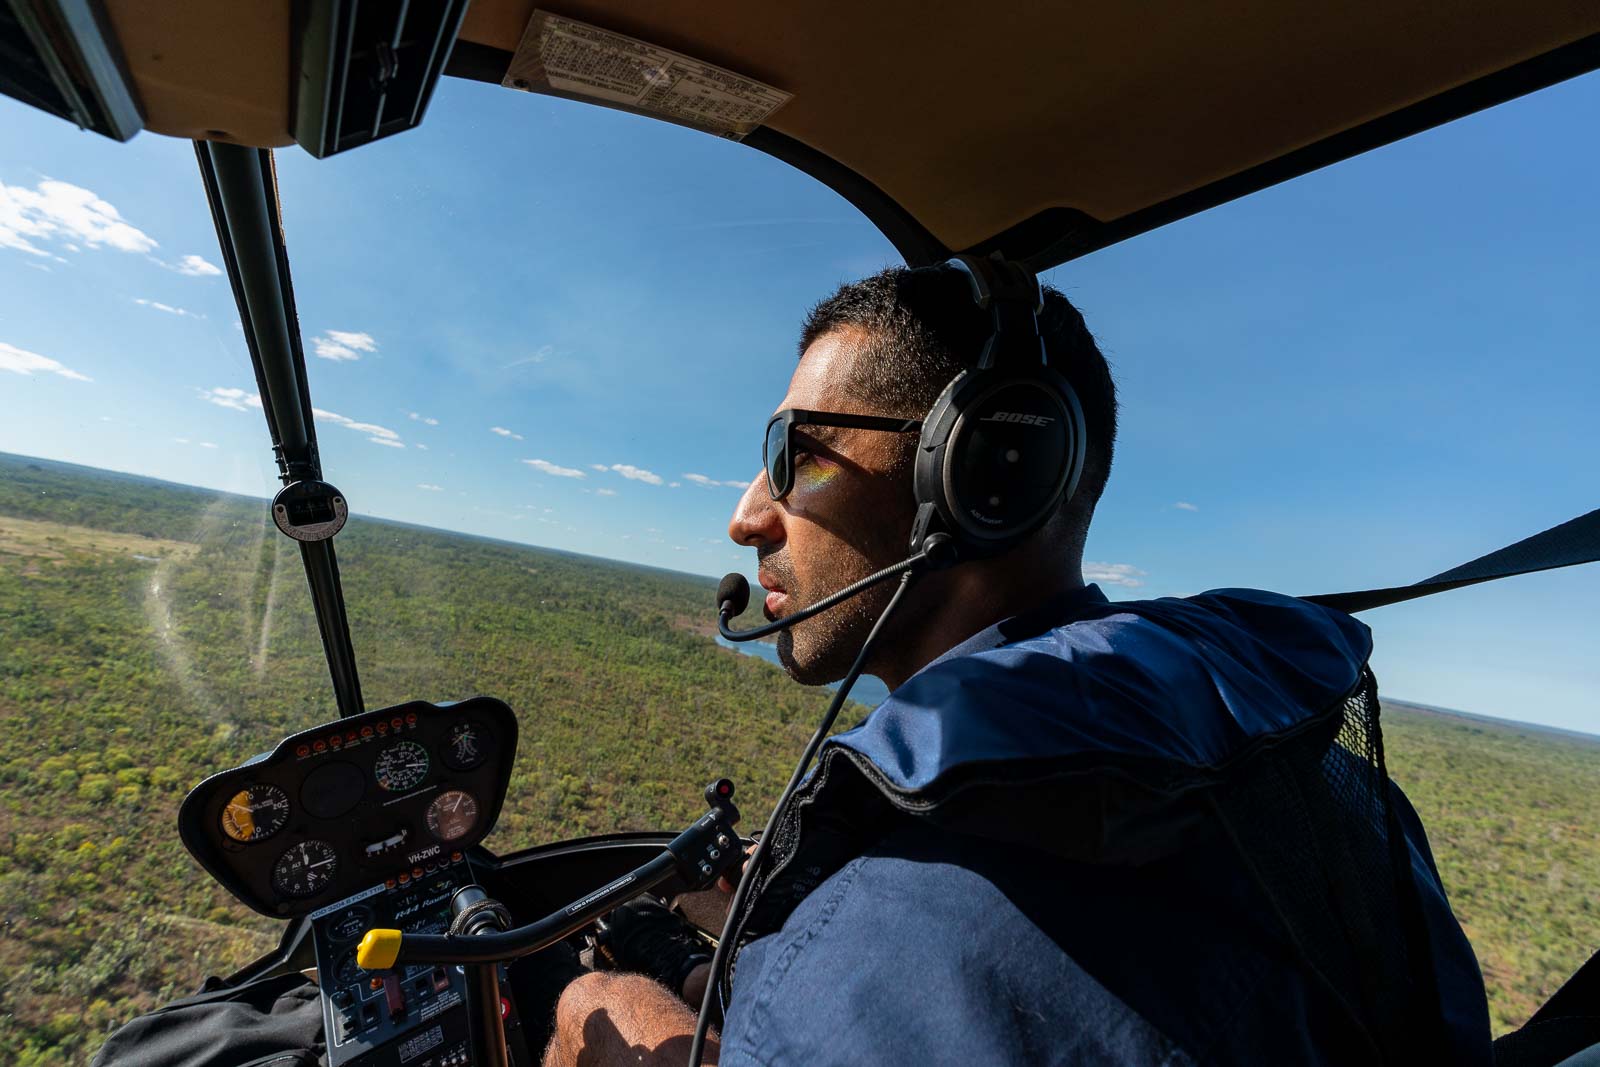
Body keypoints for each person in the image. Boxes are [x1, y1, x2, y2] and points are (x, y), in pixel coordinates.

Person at [543, 265, 1494, 1066]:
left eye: (800, 455)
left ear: (975, 479)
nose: (747, 515)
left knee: (595, 999)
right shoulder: (1323, 785)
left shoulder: (893, 931)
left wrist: (630, 988)